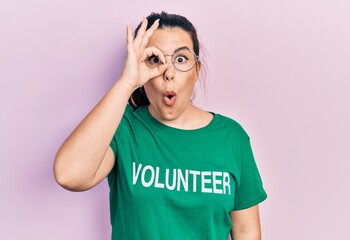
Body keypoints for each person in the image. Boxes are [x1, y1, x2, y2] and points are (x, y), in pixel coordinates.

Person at [54, 11, 267, 240]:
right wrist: (127, 82)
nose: (168, 73)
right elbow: (69, 175)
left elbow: (246, 230)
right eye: (155, 59)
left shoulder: (231, 138)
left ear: (197, 70)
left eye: (181, 59)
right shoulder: (123, 127)